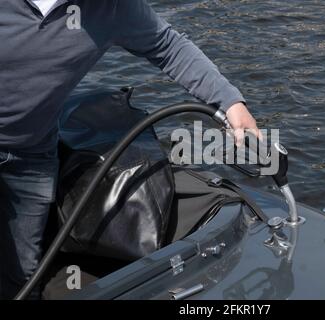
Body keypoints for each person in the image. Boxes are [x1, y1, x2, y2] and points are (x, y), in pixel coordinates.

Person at [0, 0, 260, 299]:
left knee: (21, 275)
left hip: (32, 155)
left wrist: (230, 102)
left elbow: (167, 45)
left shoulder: (113, 7)